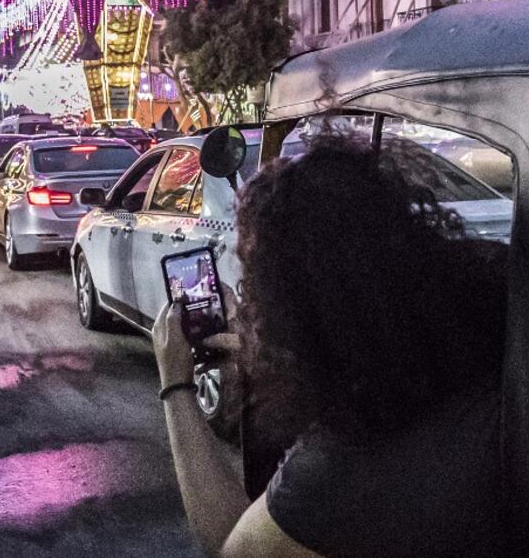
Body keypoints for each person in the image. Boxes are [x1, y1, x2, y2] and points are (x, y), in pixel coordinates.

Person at [155, 135, 507, 556]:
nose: (249, 300)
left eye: (258, 286)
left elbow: (231, 547)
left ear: (294, 310)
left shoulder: (336, 471)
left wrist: (175, 386)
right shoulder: (485, 354)